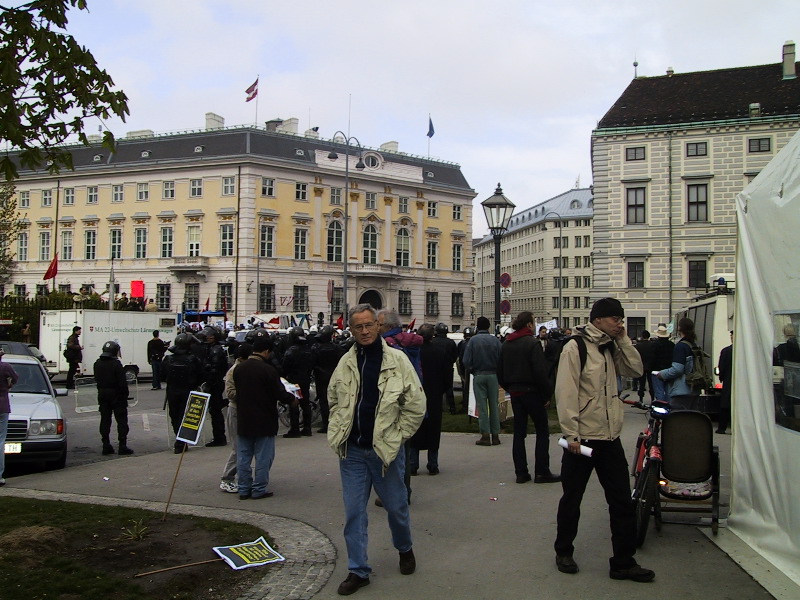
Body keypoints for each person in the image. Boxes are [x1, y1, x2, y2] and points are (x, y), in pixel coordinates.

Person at [327, 304, 425, 596]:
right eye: (358, 327)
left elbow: (416, 404)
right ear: (351, 330)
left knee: (396, 507)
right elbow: (333, 398)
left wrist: (398, 436)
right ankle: (358, 570)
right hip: (352, 452)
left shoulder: (397, 360)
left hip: (385, 451)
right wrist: (338, 427)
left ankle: (404, 548)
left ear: (378, 326)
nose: (365, 331)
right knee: (354, 513)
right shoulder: (346, 362)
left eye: (369, 325)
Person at [554, 297, 654, 582]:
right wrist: (571, 434)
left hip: (610, 437)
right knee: (572, 499)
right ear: (598, 319)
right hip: (583, 439)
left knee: (621, 501)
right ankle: (564, 551)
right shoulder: (575, 348)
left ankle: (623, 562)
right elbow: (566, 392)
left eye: (621, 320)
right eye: (615, 319)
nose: (619, 324)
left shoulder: (611, 346)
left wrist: (623, 340)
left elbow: (636, 370)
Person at [234, 331, 297, 500]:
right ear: (267, 351)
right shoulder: (268, 370)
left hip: (244, 418)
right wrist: (292, 399)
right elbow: (279, 393)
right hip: (264, 418)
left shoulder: (239, 368)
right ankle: (259, 488)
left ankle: (243, 488)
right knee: (263, 457)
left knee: (243, 456)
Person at [498, 311, 559, 484]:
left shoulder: (507, 344)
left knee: (519, 433)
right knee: (542, 430)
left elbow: (500, 371)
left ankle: (521, 472)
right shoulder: (532, 343)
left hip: (515, 392)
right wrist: (546, 394)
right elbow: (540, 372)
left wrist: (510, 387)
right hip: (532, 392)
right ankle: (542, 471)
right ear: (529, 325)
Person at [408, 323, 447, 476]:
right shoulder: (440, 351)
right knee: (433, 430)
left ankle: (413, 464)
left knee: (415, 429)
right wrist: (443, 390)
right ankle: (433, 464)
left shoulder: (413, 351)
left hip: (416, 394)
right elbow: (446, 374)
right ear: (432, 336)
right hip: (434, 395)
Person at [462, 316, 502, 446]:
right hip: (493, 375)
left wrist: (472, 369)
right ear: (488, 326)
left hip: (479, 374)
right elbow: (502, 358)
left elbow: (466, 360)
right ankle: (495, 435)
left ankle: (485, 435)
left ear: (477, 327)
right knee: (494, 404)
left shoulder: (473, 341)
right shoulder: (495, 340)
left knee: (482, 406)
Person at [162, 333, 204, 453]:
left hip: (173, 391)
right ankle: (181, 441)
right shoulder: (193, 359)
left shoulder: (168, 359)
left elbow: (162, 376)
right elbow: (201, 376)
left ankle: (180, 440)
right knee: (184, 417)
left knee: (175, 416)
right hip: (187, 391)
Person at [219, 342, 253, 493]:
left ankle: (243, 477)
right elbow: (230, 394)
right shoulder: (233, 371)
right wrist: (248, 391)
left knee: (247, 446)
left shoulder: (248, 368)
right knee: (238, 447)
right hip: (236, 410)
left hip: (247, 410)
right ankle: (227, 478)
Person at [94, 341, 133, 456]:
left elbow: (97, 379)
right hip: (116, 394)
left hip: (102, 393)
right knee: (121, 420)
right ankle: (122, 445)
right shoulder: (116, 364)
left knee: (105, 419)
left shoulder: (97, 363)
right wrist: (125, 395)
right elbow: (122, 383)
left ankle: (105, 444)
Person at [656, 317, 700, 411]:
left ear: (679, 329)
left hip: (681, 390)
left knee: (677, 417)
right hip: (694, 388)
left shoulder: (681, 346)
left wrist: (662, 374)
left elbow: (677, 369)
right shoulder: (693, 345)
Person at [281, 326, 315, 437]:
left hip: (293, 381)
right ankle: (307, 428)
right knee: (305, 404)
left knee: (294, 403)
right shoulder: (308, 350)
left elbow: (285, 367)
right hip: (305, 379)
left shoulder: (291, 351)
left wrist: (283, 376)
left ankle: (295, 429)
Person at [310, 325, 344, 434]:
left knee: (324, 401)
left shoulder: (316, 348)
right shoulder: (336, 348)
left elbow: (312, 362)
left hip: (321, 377)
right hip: (333, 376)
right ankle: (334, 422)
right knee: (335, 399)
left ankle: (326, 424)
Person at [201, 326, 230, 447]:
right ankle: (218, 436)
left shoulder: (216, 350)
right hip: (215, 382)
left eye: (210, 336)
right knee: (214, 410)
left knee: (215, 410)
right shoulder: (210, 348)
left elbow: (214, 368)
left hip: (215, 383)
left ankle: (219, 437)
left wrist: (209, 382)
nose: (208, 338)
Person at [0, 348, 19, 486]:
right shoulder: (5, 367)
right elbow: (16, 378)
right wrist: (9, 384)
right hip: (2, 405)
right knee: (1, 441)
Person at [432, 323, 459, 414]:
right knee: (449, 389)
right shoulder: (451, 342)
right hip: (448, 368)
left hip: (436, 369)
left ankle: (437, 408)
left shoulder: (433, 342)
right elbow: (455, 356)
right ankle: (452, 408)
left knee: (436, 389)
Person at [650, 324, 675, 402]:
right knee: (668, 391)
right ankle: (669, 406)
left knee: (659, 391)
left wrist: (650, 369)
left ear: (658, 336)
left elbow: (652, 358)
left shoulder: (654, 345)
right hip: (669, 370)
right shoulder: (672, 345)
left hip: (656, 371)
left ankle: (661, 405)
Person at [717, 331, 733, 434]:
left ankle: (722, 427)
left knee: (725, 405)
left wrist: (721, 378)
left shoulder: (726, 351)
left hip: (728, 381)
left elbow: (721, 367)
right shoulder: (747, 351)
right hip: (741, 384)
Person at [456, 327, 474, 414]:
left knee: (465, 387)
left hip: (465, 368)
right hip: (472, 368)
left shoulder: (461, 343)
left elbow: (459, 357)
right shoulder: (474, 343)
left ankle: (465, 405)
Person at [633, 330, 654, 403]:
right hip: (651, 366)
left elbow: (636, 356)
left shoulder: (639, 346)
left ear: (642, 336)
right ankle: (652, 399)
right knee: (651, 384)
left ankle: (641, 399)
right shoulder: (652, 345)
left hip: (642, 366)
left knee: (641, 384)